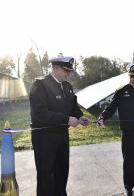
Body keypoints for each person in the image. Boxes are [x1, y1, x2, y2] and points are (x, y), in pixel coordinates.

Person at [29, 55, 90, 196]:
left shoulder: (68, 86)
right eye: (66, 70)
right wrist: (66, 119)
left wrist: (80, 116)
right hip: (44, 138)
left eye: (70, 71)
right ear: (55, 68)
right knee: (46, 175)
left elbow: (74, 107)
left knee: (62, 171)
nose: (69, 74)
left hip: (62, 136)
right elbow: (40, 113)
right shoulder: (40, 85)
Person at [97, 63, 134, 196]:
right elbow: (111, 108)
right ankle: (128, 186)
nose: (133, 78)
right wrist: (102, 118)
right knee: (129, 160)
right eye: (131, 76)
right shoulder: (122, 91)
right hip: (128, 133)